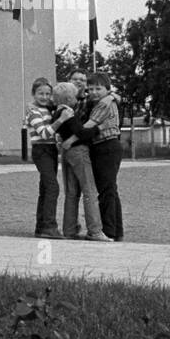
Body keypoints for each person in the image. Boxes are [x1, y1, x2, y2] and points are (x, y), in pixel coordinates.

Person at [50, 82, 109, 241]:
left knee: (71, 192)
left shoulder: (57, 112)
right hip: (79, 152)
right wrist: (99, 128)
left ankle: (69, 230)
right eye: (75, 96)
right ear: (69, 98)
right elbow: (82, 133)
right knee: (89, 190)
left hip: (67, 153)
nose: (77, 99)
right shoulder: (68, 113)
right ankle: (95, 230)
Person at [74, 73, 123, 241]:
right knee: (110, 189)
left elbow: (88, 127)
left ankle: (109, 230)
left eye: (98, 88)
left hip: (106, 146)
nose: (94, 92)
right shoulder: (106, 100)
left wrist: (70, 138)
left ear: (107, 89)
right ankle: (116, 230)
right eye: (91, 89)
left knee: (106, 190)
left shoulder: (104, 103)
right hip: (105, 146)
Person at [26, 78, 64, 239]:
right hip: (41, 149)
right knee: (52, 187)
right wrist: (61, 120)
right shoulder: (34, 112)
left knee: (45, 188)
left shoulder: (48, 109)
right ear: (33, 94)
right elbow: (44, 133)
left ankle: (41, 227)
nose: (45, 97)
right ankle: (49, 226)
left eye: (48, 94)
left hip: (51, 149)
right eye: (41, 93)